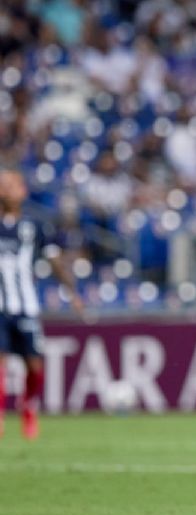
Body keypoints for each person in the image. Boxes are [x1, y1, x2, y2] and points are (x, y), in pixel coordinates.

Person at [0, 167, 82, 439]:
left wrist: (72, 292)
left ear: (23, 192)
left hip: (26, 306)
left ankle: (28, 408)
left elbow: (54, 261)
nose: (8, 189)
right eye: (5, 185)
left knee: (34, 367)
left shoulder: (35, 226)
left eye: (13, 184)